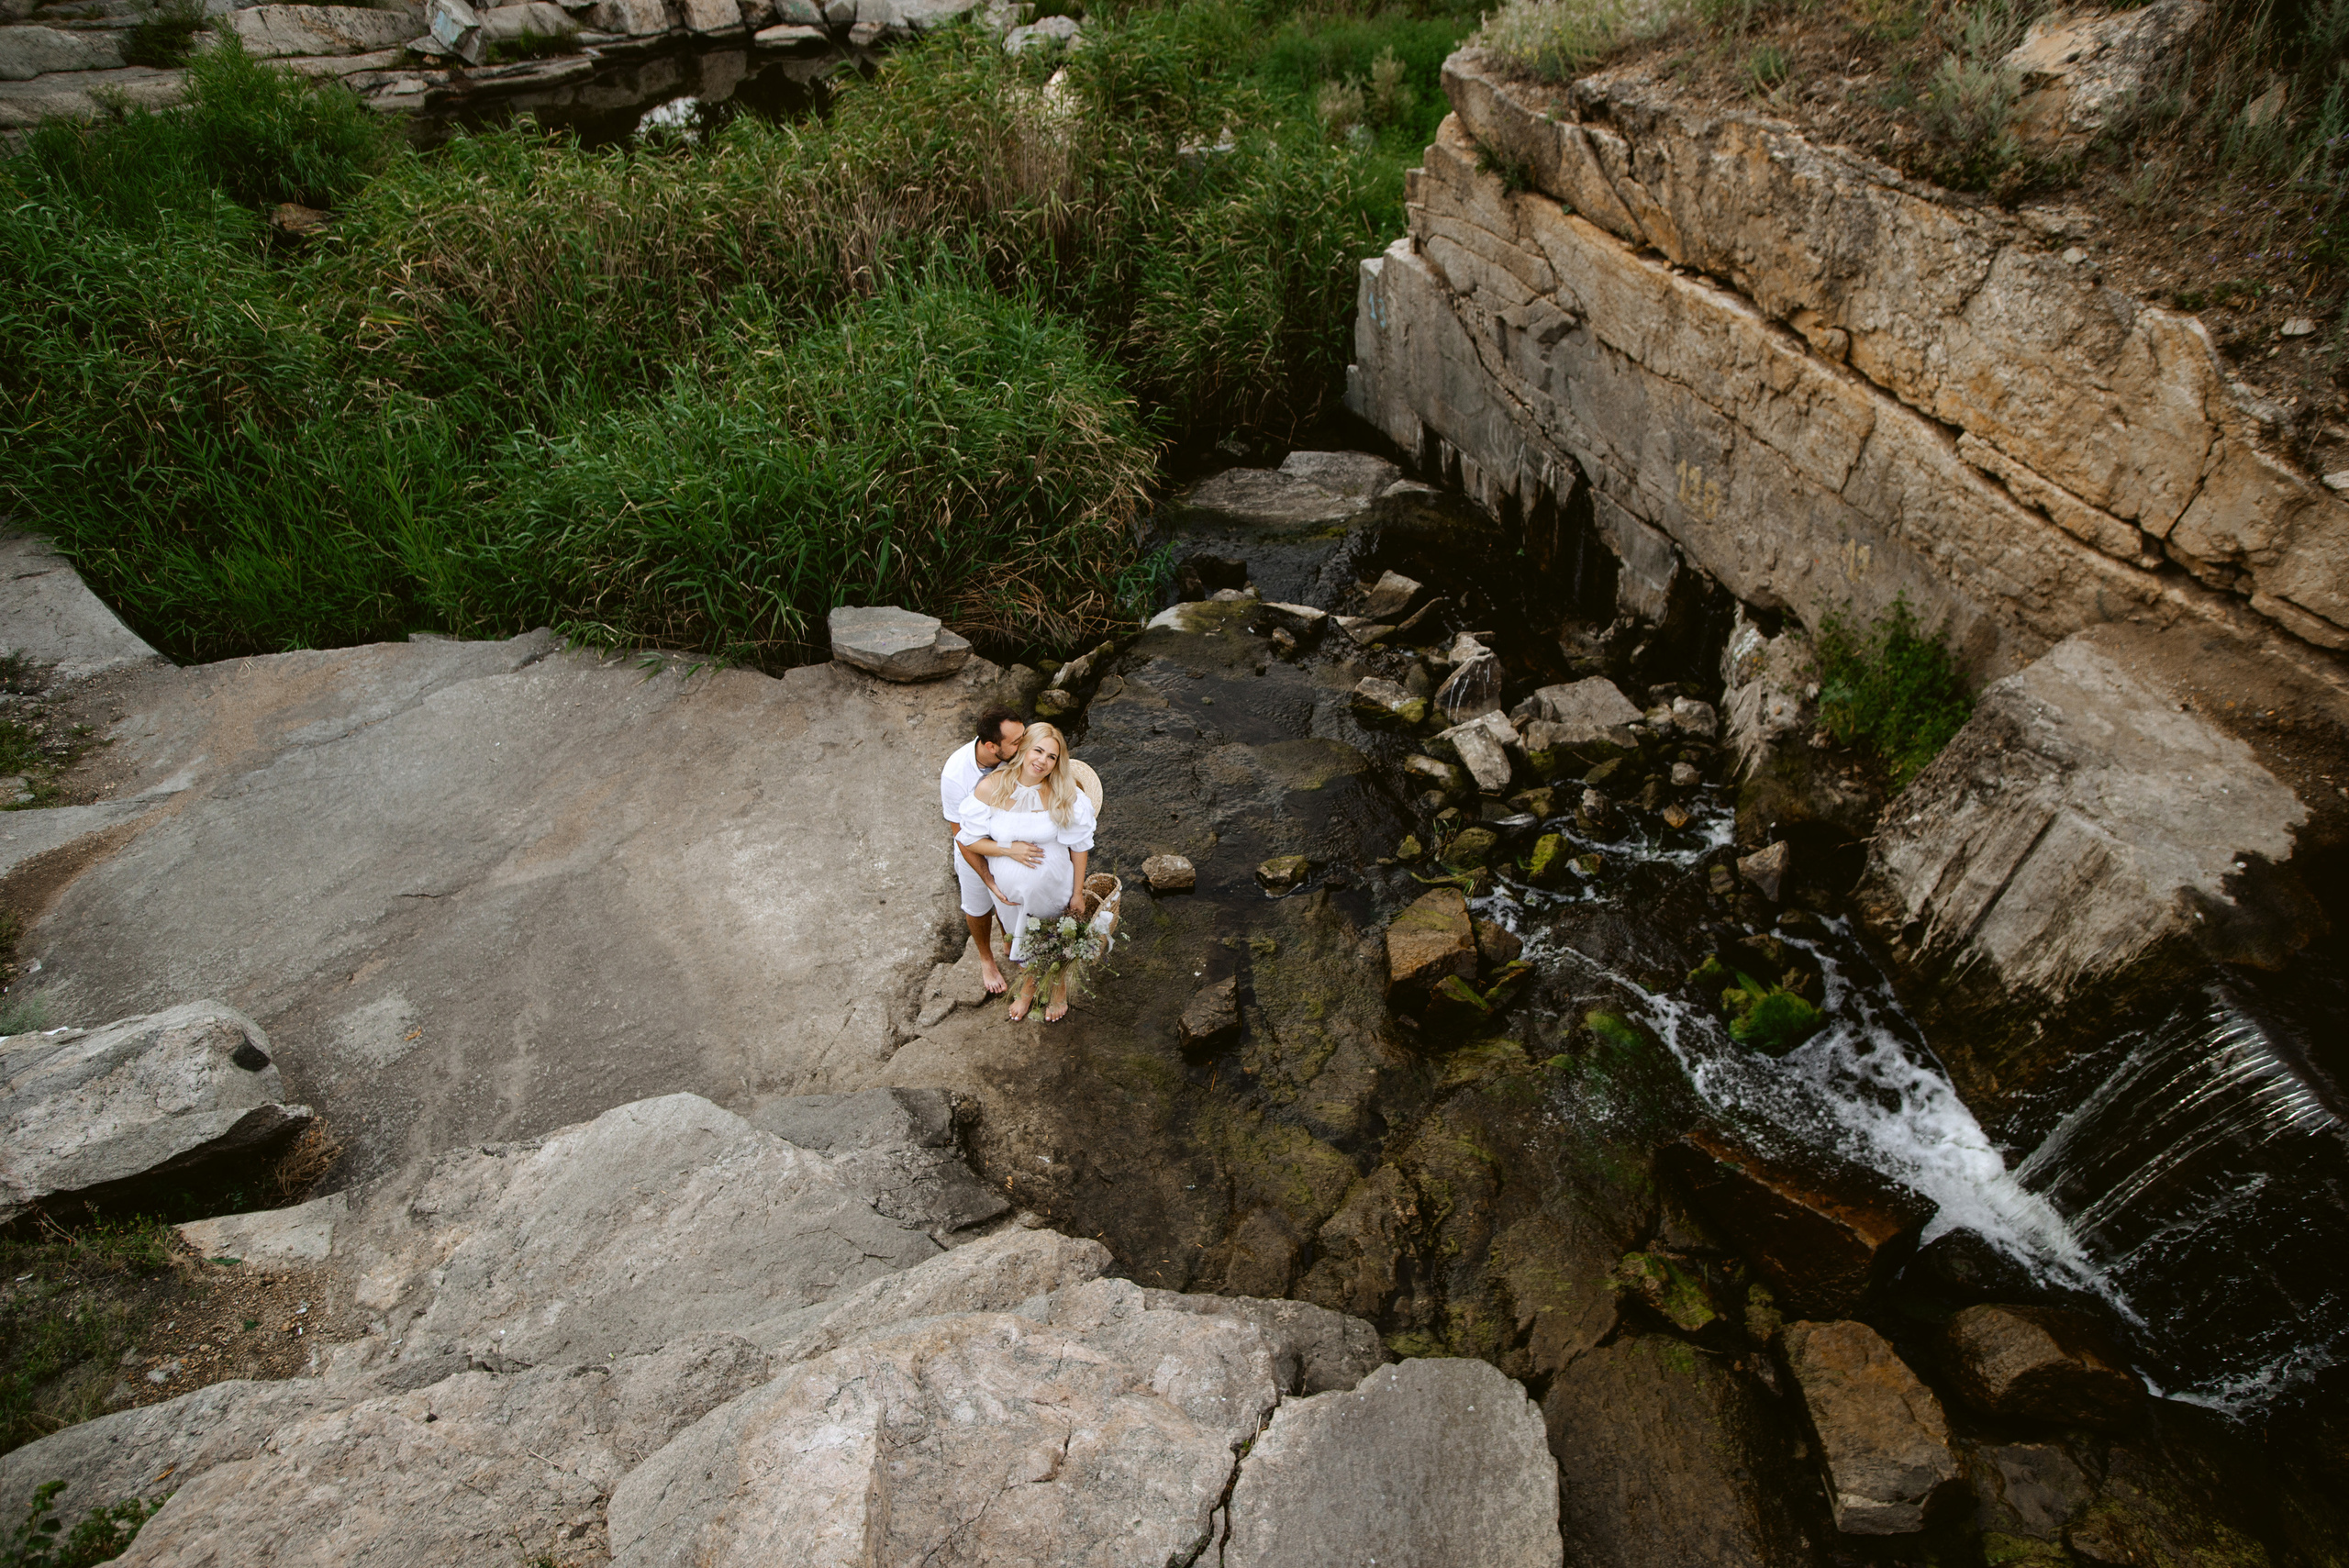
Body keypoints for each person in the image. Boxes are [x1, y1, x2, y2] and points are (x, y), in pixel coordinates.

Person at [956, 722, 1096, 1022]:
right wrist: (1009, 850)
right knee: (1023, 939)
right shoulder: (991, 786)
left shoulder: (1062, 791)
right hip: (1011, 895)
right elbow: (970, 839)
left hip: (1053, 887)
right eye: (1038, 750)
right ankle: (1029, 985)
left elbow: (1080, 844)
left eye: (1052, 757)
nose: (1043, 761)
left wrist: (1077, 893)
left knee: (1055, 938)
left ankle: (1057, 989)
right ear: (1023, 748)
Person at [940, 706, 1035, 995]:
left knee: (1011, 901)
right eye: (1017, 741)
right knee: (978, 906)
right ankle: (986, 959)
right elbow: (961, 836)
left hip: (1010, 840)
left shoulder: (1017, 755)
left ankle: (1010, 940)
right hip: (973, 848)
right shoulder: (955, 774)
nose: (1024, 745)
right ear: (992, 746)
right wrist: (987, 878)